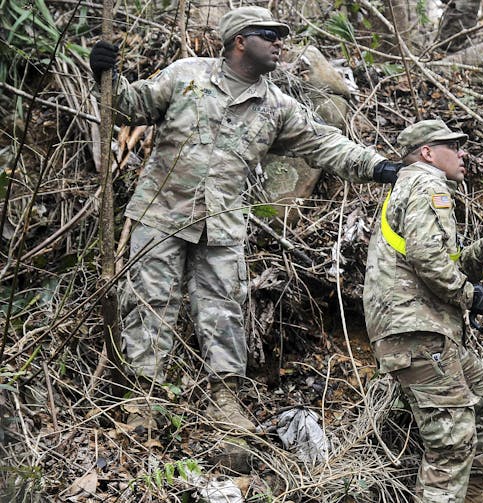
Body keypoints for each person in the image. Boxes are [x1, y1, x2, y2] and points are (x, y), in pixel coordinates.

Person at [88, 6, 402, 434]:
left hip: (221, 227)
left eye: (280, 35)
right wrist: (104, 74)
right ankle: (144, 404)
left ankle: (225, 402)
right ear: (240, 40)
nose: (279, 43)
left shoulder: (277, 107)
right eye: (268, 35)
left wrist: (379, 166)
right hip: (161, 214)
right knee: (149, 305)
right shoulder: (187, 75)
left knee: (223, 312)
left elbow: (325, 144)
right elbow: (128, 107)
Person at [362, 119, 483, 502]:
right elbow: (428, 259)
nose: (463, 153)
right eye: (453, 146)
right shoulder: (428, 183)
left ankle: (473, 496)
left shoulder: (409, 187)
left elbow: (437, 260)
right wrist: (469, 295)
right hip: (417, 331)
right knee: (451, 442)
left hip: (418, 329)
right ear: (427, 152)